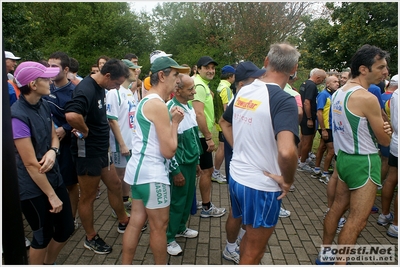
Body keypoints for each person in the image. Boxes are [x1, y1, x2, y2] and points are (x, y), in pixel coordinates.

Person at [220, 43, 300, 265]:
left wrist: (240, 149)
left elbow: (224, 123)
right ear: (294, 68)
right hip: (261, 185)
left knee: (249, 239)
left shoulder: (245, 90)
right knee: (254, 251)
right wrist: (288, 181)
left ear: (266, 62)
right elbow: (286, 152)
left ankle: (233, 250)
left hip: (237, 176)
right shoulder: (284, 100)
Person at [317, 44, 392, 264]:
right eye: (381, 67)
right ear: (363, 69)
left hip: (344, 160)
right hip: (364, 162)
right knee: (357, 221)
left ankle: (325, 254)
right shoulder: (366, 98)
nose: (385, 72)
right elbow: (385, 141)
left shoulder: (340, 90)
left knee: (337, 208)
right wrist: (387, 130)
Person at [121, 56, 188, 264]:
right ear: (162, 75)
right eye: (176, 75)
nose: (179, 80)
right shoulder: (158, 105)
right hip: (152, 174)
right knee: (160, 226)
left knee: (135, 222)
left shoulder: (146, 100)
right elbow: (169, 151)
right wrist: (175, 123)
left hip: (139, 172)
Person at [64, 59, 131, 254]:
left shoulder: (101, 87)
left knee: (116, 185)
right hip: (87, 153)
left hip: (101, 151)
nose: (116, 88)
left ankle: (123, 221)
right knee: (89, 196)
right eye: (117, 83)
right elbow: (71, 116)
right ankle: (90, 237)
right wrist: (85, 131)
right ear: (108, 75)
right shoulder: (87, 89)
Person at [11, 61, 75, 264]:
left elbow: (54, 135)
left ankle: (49, 262)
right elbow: (30, 164)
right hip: (32, 187)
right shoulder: (16, 117)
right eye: (45, 79)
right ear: (32, 84)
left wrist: (53, 151)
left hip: (53, 176)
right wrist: (51, 196)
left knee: (66, 228)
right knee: (42, 235)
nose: (51, 81)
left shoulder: (44, 104)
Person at [219, 61, 266, 264]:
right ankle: (231, 248)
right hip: (241, 164)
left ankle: (236, 242)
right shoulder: (241, 97)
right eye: (254, 79)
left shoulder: (247, 96)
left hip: (247, 163)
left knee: (242, 210)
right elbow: (223, 121)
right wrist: (237, 146)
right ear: (241, 84)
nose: (260, 82)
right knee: (238, 210)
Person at [165, 74, 202, 256]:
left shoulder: (188, 106)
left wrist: (196, 161)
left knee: (187, 200)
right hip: (179, 165)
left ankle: (180, 228)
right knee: (177, 202)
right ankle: (168, 237)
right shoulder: (171, 110)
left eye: (194, 87)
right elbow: (168, 144)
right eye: (190, 89)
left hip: (190, 162)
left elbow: (193, 136)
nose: (194, 91)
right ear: (177, 90)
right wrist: (176, 171)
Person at [42, 51, 80, 229]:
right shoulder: (45, 87)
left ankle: (71, 220)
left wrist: (65, 128)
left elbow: (81, 117)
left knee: (70, 184)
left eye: (54, 66)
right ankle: (55, 217)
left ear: (66, 69)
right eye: (48, 66)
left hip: (67, 146)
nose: (49, 70)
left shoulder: (74, 92)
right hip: (46, 145)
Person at [190, 56, 226, 218]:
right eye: (207, 68)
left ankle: (195, 202)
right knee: (206, 171)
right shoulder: (199, 85)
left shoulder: (200, 84)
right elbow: (198, 113)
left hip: (197, 134)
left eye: (213, 68)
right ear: (198, 69)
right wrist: (208, 137)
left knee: (200, 170)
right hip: (199, 135)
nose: (211, 71)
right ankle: (206, 207)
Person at [106, 59, 141, 218]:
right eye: (133, 69)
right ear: (125, 71)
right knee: (118, 178)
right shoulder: (114, 92)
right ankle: (117, 208)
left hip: (131, 142)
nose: (137, 72)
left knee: (127, 175)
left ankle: (125, 201)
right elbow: (112, 119)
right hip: (121, 145)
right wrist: (121, 144)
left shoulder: (128, 91)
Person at [377, 78, 398, 238]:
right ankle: (396, 225)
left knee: (391, 179)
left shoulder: (394, 95)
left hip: (395, 142)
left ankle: (384, 215)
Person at [311, 75, 340, 184]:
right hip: (326, 127)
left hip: (331, 126)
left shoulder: (333, 94)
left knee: (322, 147)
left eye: (338, 81)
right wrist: (323, 129)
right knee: (331, 150)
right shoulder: (323, 94)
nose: (337, 83)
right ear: (328, 84)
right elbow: (319, 112)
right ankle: (325, 173)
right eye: (334, 82)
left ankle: (317, 169)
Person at [298, 68, 326, 172]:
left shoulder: (304, 83)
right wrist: (309, 118)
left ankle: (300, 158)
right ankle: (303, 163)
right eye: (322, 80)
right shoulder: (312, 86)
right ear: (318, 78)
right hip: (308, 117)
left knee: (303, 139)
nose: (322, 82)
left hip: (303, 116)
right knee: (307, 141)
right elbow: (306, 102)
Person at [212, 65, 236, 183]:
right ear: (230, 76)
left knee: (222, 147)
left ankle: (215, 172)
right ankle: (215, 172)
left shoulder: (220, 86)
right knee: (222, 148)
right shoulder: (226, 88)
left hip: (218, 121)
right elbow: (226, 108)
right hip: (224, 123)